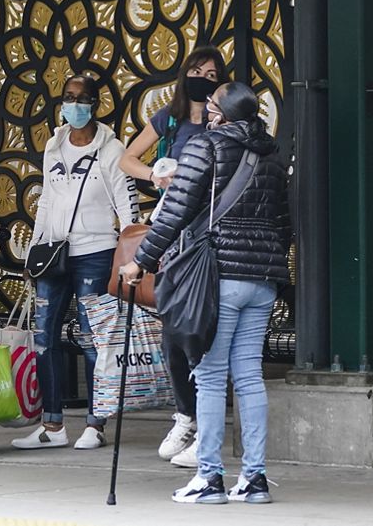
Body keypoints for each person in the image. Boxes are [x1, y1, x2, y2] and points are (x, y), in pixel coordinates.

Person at [119, 82, 290, 505]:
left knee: (211, 375)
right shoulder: (271, 156)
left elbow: (173, 214)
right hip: (262, 279)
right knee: (248, 376)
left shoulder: (205, 148)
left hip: (219, 277)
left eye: (213, 104)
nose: (207, 109)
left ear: (224, 113)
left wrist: (139, 261)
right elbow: (285, 222)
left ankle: (209, 476)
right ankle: (254, 479)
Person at [12, 74, 139, 451]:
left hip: (96, 253)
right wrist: (34, 250)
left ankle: (94, 423)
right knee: (44, 339)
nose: (74, 105)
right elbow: (47, 200)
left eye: (82, 99)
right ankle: (52, 426)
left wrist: (131, 254)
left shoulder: (112, 150)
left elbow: (126, 207)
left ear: (95, 104)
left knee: (91, 338)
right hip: (53, 252)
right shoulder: (54, 146)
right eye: (68, 97)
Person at [119, 46, 227, 466]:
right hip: (173, 232)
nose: (204, 78)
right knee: (173, 326)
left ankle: (203, 419)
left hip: (211, 234)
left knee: (203, 327)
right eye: (198, 71)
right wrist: (157, 174)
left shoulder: (226, 121)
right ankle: (187, 414)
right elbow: (128, 159)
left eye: (213, 72)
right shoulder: (169, 118)